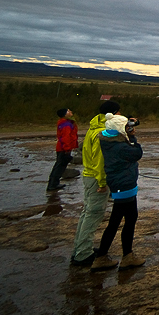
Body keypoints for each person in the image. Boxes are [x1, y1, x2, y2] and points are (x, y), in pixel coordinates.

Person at [90, 113, 145, 271]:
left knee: (119, 220)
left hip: (119, 184)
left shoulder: (107, 141)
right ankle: (121, 256)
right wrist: (132, 139)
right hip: (124, 185)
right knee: (125, 221)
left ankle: (108, 256)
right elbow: (137, 153)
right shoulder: (121, 146)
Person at [71, 102, 116, 266]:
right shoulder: (101, 133)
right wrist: (103, 183)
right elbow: (100, 161)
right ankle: (83, 254)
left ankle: (80, 248)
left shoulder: (93, 127)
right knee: (93, 215)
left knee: (86, 213)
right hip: (96, 178)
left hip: (89, 175)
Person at [47, 108, 78, 192]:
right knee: (59, 166)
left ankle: (54, 183)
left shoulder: (65, 122)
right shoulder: (66, 124)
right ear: (65, 114)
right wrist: (67, 148)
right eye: (68, 111)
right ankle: (53, 184)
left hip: (62, 147)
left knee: (59, 166)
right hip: (63, 148)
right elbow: (66, 137)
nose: (71, 111)